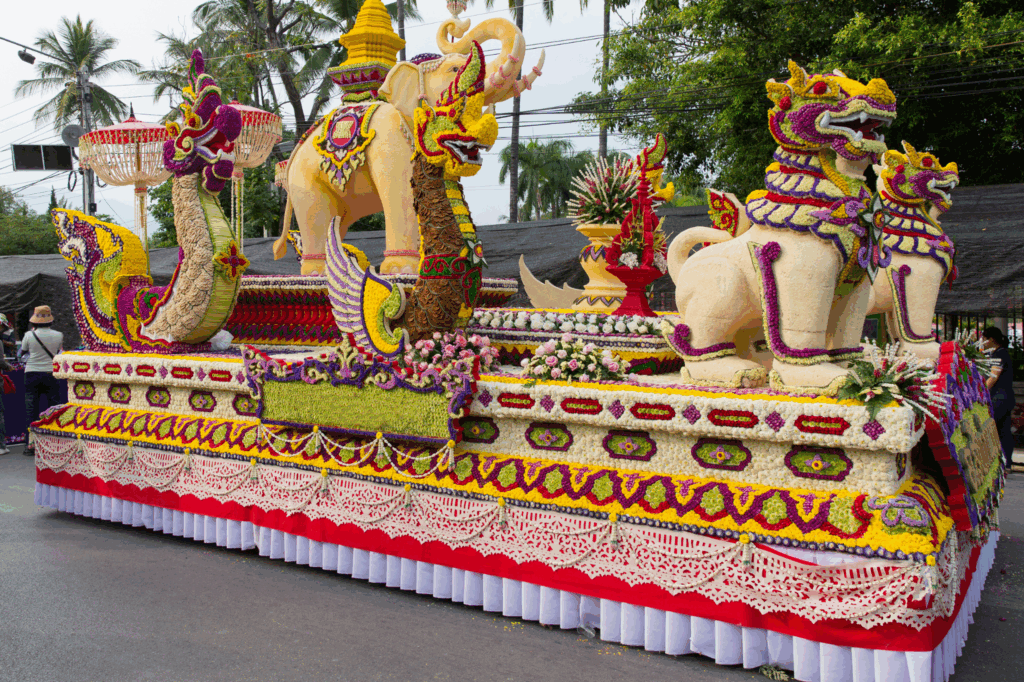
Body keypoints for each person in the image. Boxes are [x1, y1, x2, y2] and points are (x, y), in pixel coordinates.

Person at [19, 306, 63, 458]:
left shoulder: (29, 335)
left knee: (31, 410)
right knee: (53, 409)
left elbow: (22, 354)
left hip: (31, 374)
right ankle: (55, 442)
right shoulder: (59, 335)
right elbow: (58, 354)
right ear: (50, 319)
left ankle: (30, 444)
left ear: (35, 320)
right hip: (51, 374)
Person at [982, 326, 1016, 469]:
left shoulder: (999, 354)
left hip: (999, 398)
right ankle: (1006, 461)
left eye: (983, 339)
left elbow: (993, 377)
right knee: (1003, 430)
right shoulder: (1001, 353)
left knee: (992, 428)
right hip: (1006, 397)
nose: (982, 342)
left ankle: (996, 461)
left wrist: (981, 391)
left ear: (990, 340)